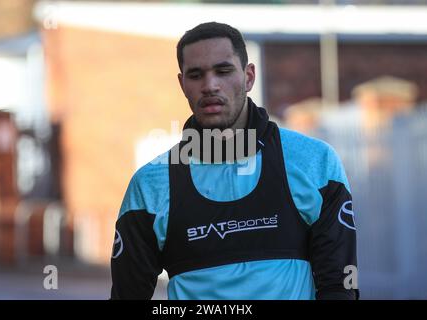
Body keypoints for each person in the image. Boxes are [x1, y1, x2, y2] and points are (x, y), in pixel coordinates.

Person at [110, 22, 358, 300]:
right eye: (196, 75)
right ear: (182, 85)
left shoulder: (315, 163)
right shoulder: (151, 185)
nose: (210, 85)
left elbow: (339, 287)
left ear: (249, 76)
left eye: (223, 70)